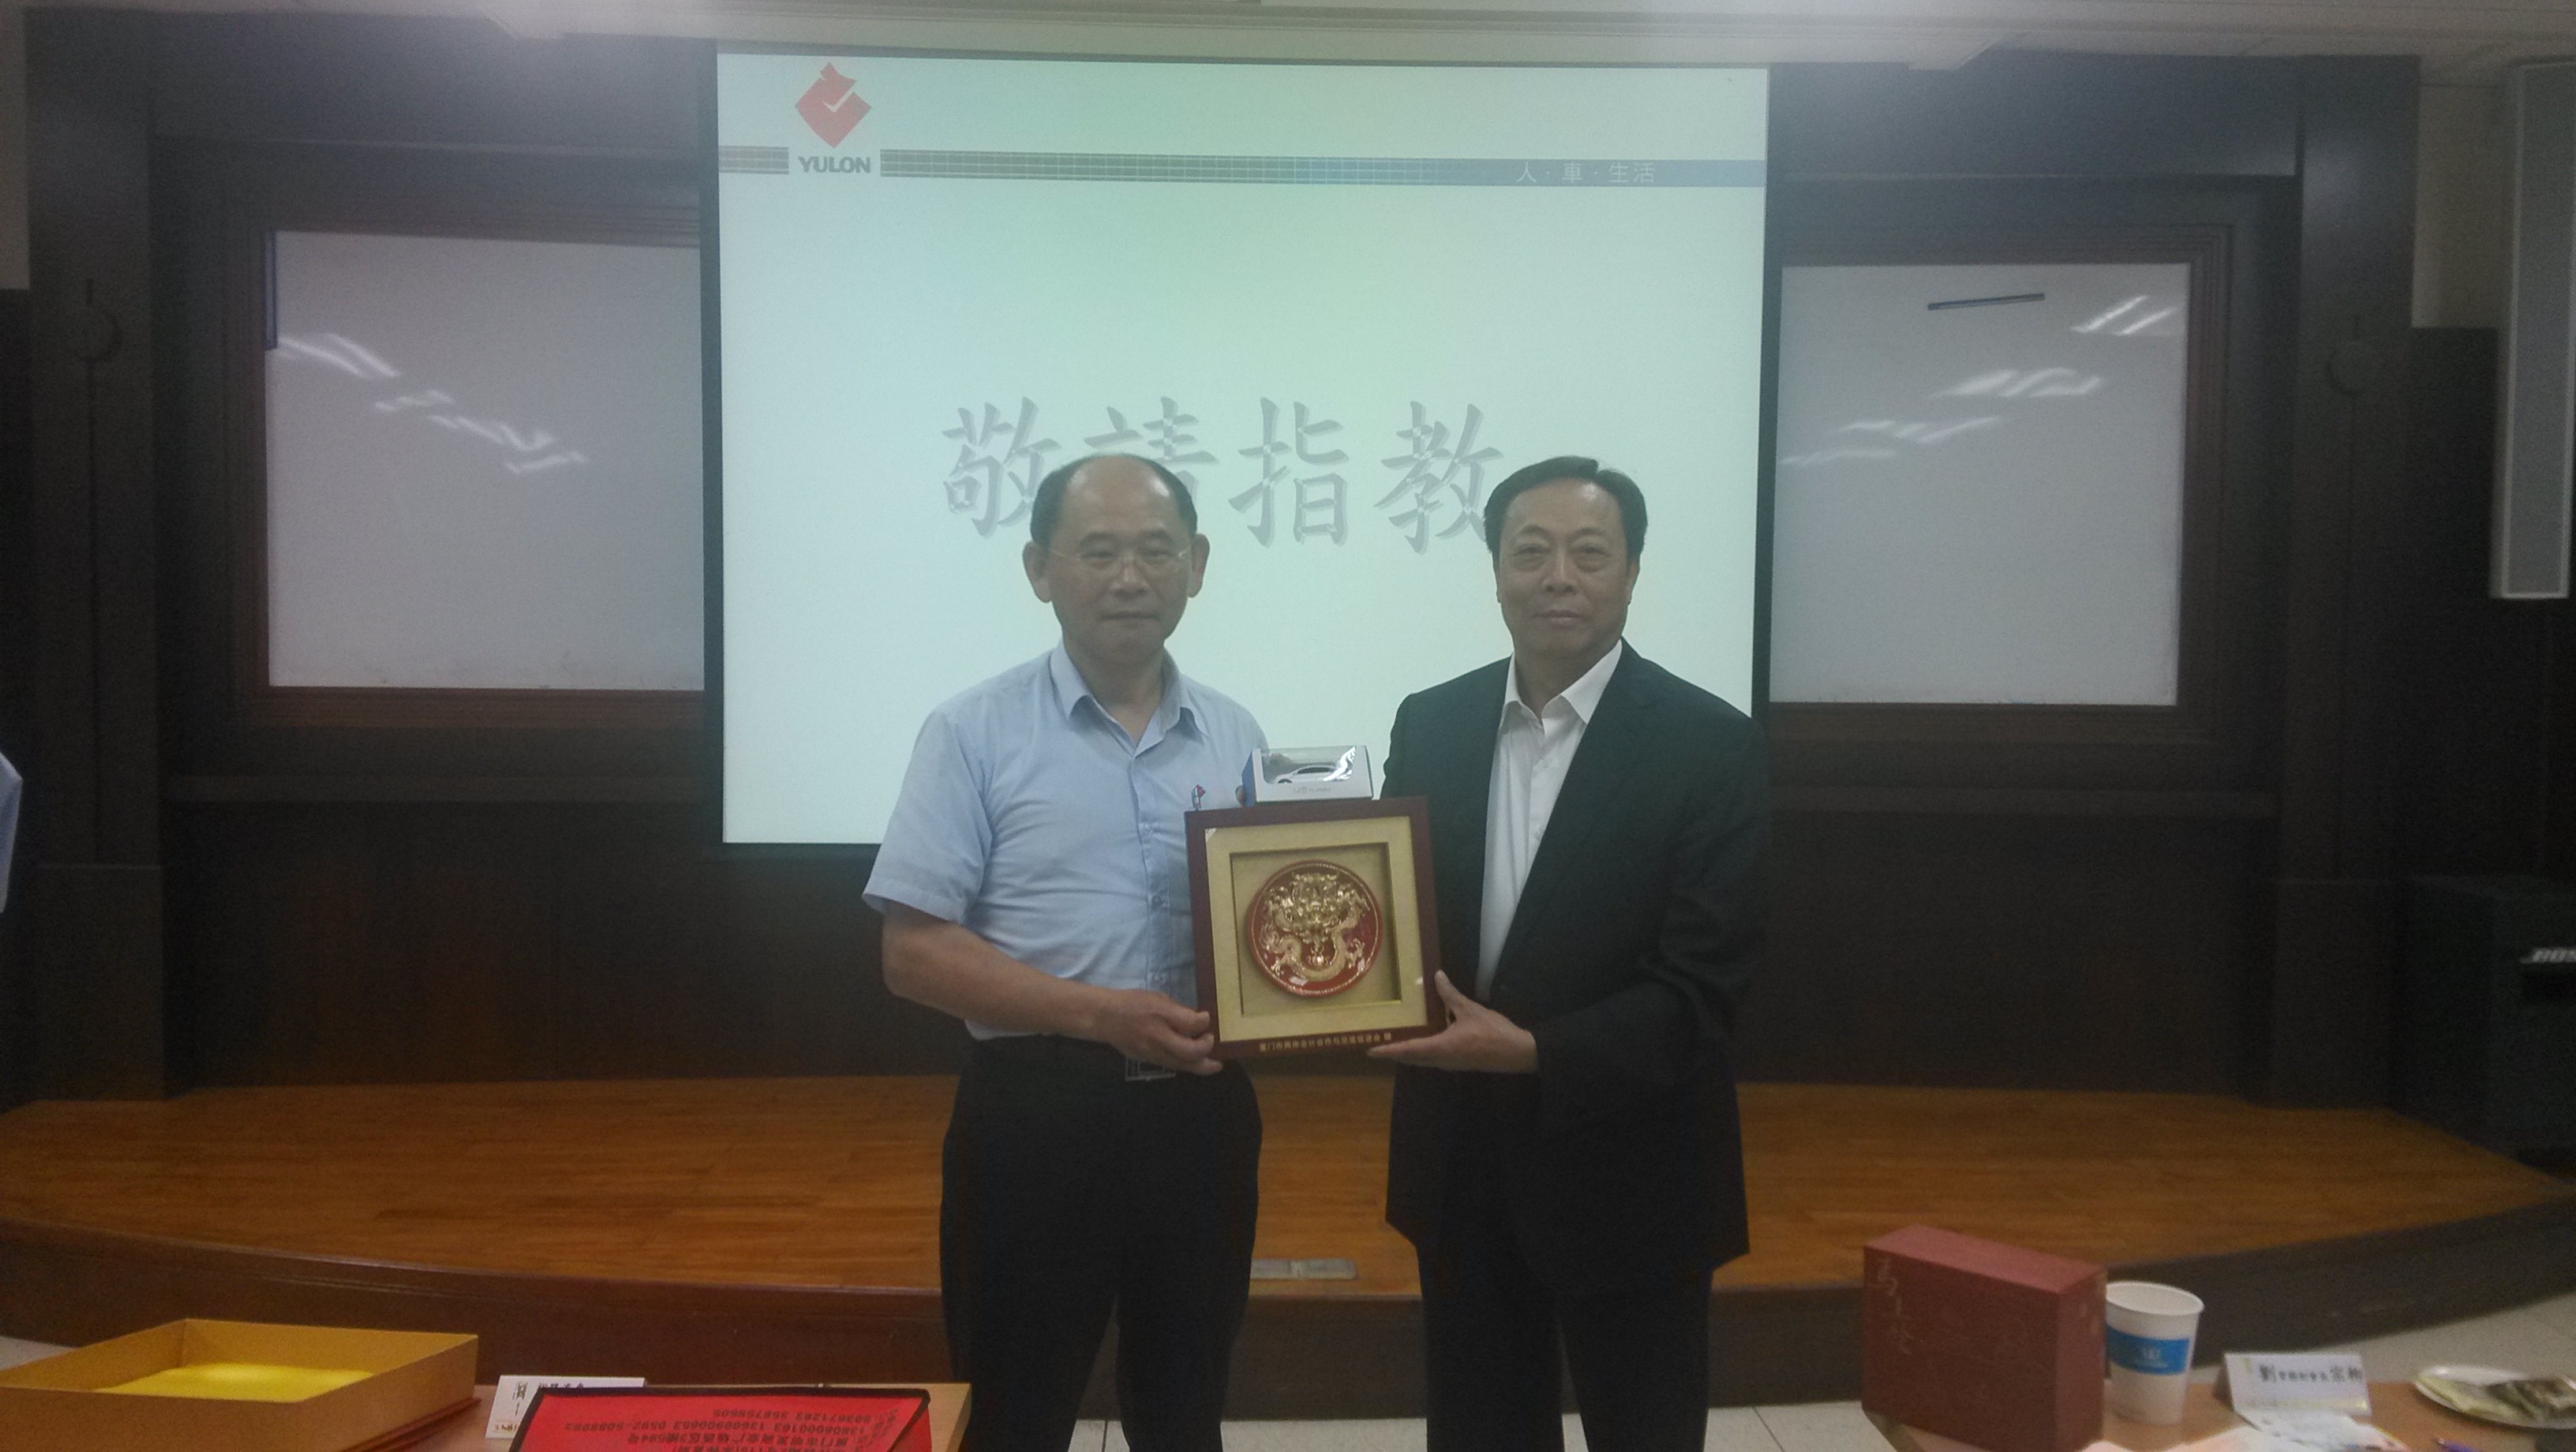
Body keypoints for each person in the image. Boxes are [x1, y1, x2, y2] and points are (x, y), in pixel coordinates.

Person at [865, 454, 1266, 1452]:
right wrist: (1100, 1013)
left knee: (1186, 1407)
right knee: (1014, 1410)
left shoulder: (1236, 734)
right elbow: (912, 952)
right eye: (1098, 551)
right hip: (1036, 1120)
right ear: (1039, 568)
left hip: (1201, 1118)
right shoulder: (971, 731)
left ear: (1197, 564)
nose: (1130, 577)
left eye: (1156, 550)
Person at [1369, 455, 1769, 1452]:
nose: (1559, 576)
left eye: (1589, 553)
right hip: (1463, 1167)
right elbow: (1391, 917)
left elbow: (1706, 984)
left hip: (1634, 1170)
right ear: (1495, 570)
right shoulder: (1430, 721)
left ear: (1632, 573)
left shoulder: (1710, 744)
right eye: (1531, 551)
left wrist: (1539, 1051)